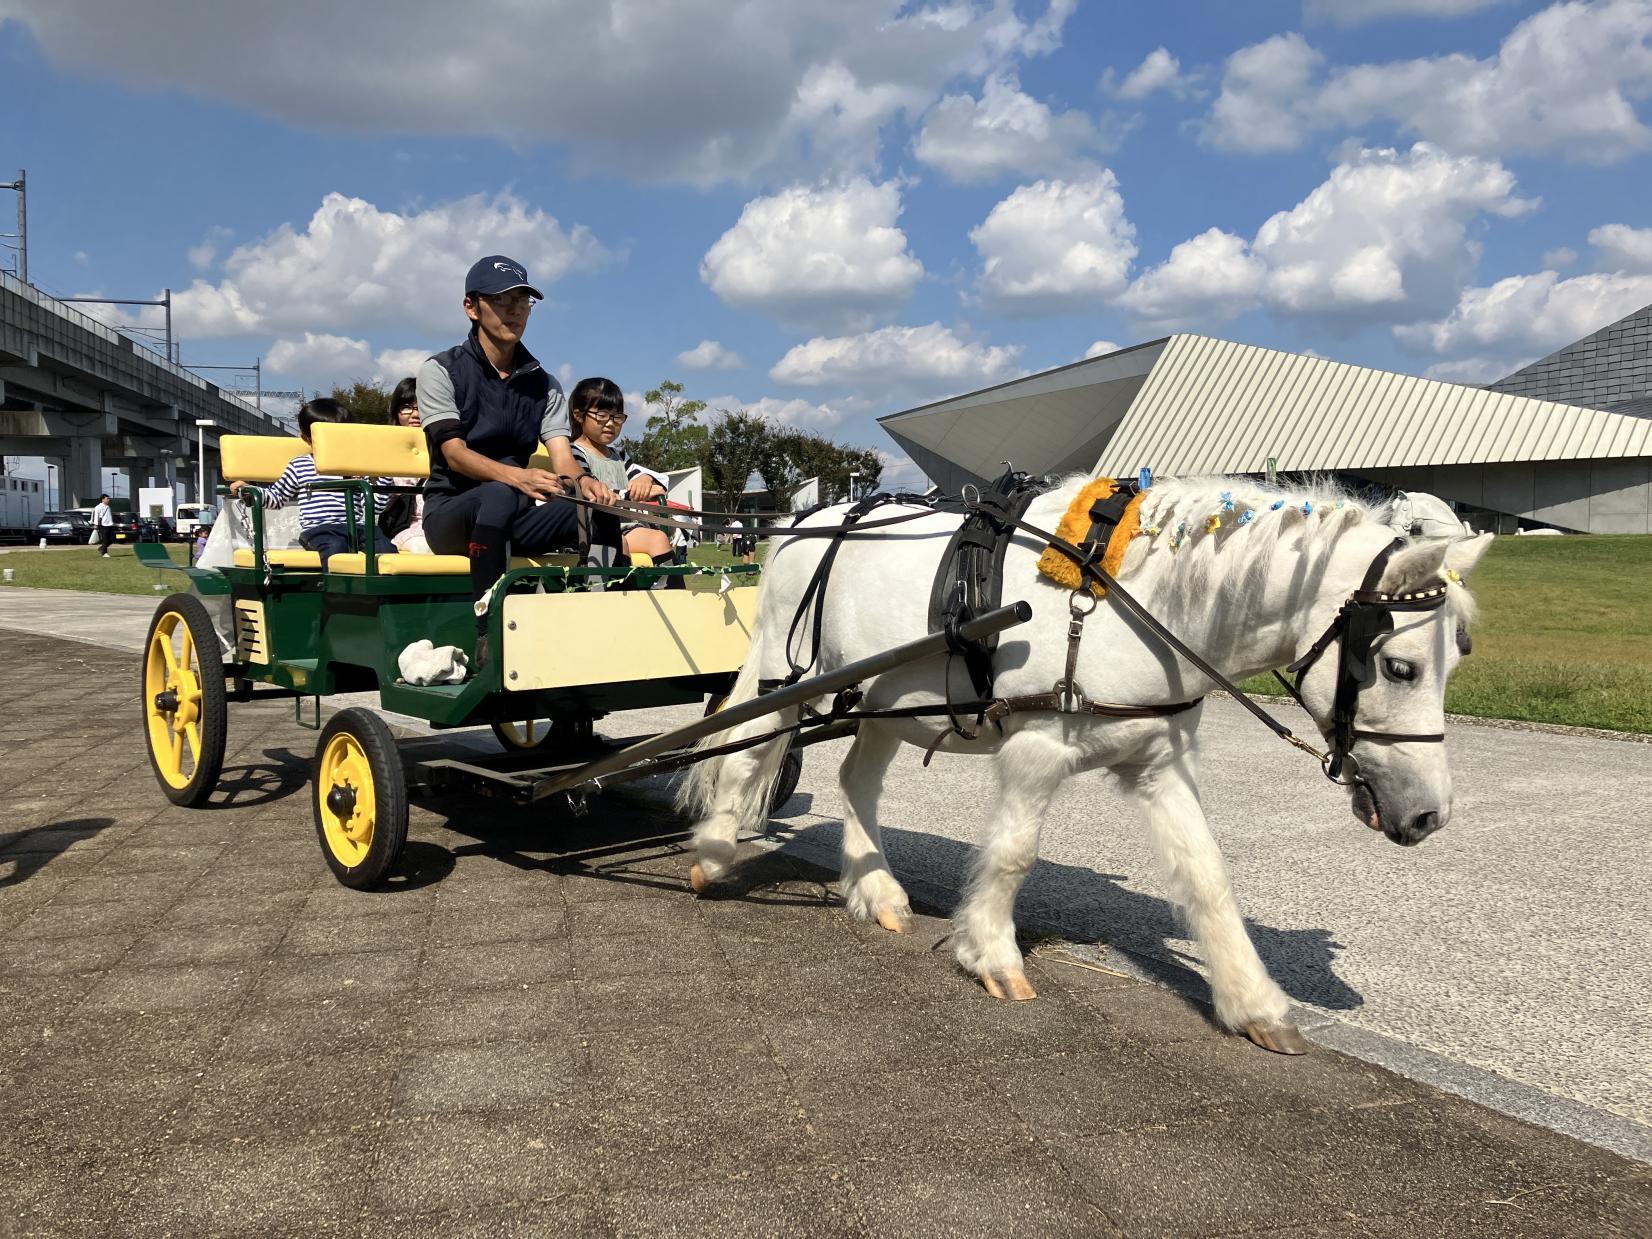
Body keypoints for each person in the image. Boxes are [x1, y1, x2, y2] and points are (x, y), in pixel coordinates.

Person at [417, 255, 615, 658]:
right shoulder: (440, 371)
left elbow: (562, 458)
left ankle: (610, 612)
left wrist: (586, 482)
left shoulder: (546, 384)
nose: (514, 310)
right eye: (501, 299)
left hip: (514, 514)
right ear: (471, 306)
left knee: (600, 508)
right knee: (501, 492)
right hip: (452, 514)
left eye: (523, 301)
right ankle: (487, 631)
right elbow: (454, 454)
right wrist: (517, 478)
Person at [230, 398, 397, 567]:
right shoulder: (300, 465)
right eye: (327, 436)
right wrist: (250, 492)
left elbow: (374, 507)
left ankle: (388, 591)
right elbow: (277, 497)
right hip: (320, 529)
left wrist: (380, 477)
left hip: (358, 527)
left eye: (341, 434)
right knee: (335, 547)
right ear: (307, 438)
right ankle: (339, 590)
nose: (336, 441)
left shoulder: (356, 465)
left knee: (385, 548)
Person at [568, 377, 673, 566]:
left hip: (626, 526)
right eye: (601, 415)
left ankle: (672, 593)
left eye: (617, 417)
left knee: (659, 539)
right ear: (578, 415)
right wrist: (632, 495)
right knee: (619, 542)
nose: (610, 423)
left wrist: (646, 480)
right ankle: (617, 591)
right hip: (591, 529)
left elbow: (641, 476)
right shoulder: (573, 453)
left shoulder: (620, 456)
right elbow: (593, 493)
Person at [380, 376, 429, 554]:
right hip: (405, 527)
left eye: (422, 407)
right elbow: (376, 506)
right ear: (396, 411)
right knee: (423, 547)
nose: (415, 414)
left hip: (443, 524)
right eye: (407, 407)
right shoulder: (384, 451)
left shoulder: (448, 449)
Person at [92, 493, 115, 557]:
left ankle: (101, 548)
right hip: (103, 525)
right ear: (103, 499)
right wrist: (95, 525)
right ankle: (104, 553)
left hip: (110, 524)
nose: (108, 500)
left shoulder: (108, 507)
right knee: (105, 539)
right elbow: (96, 516)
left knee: (113, 539)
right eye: (107, 499)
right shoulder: (98, 507)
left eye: (108, 499)